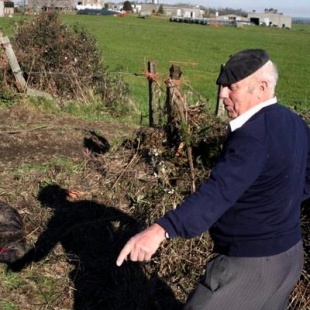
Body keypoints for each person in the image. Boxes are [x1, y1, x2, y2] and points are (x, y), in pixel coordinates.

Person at [116, 49, 310, 309]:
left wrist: (161, 230)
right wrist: (275, 208)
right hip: (289, 256)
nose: (222, 95)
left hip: (250, 265)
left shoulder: (253, 135)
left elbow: (219, 192)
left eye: (232, 87)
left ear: (262, 87)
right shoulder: (292, 121)